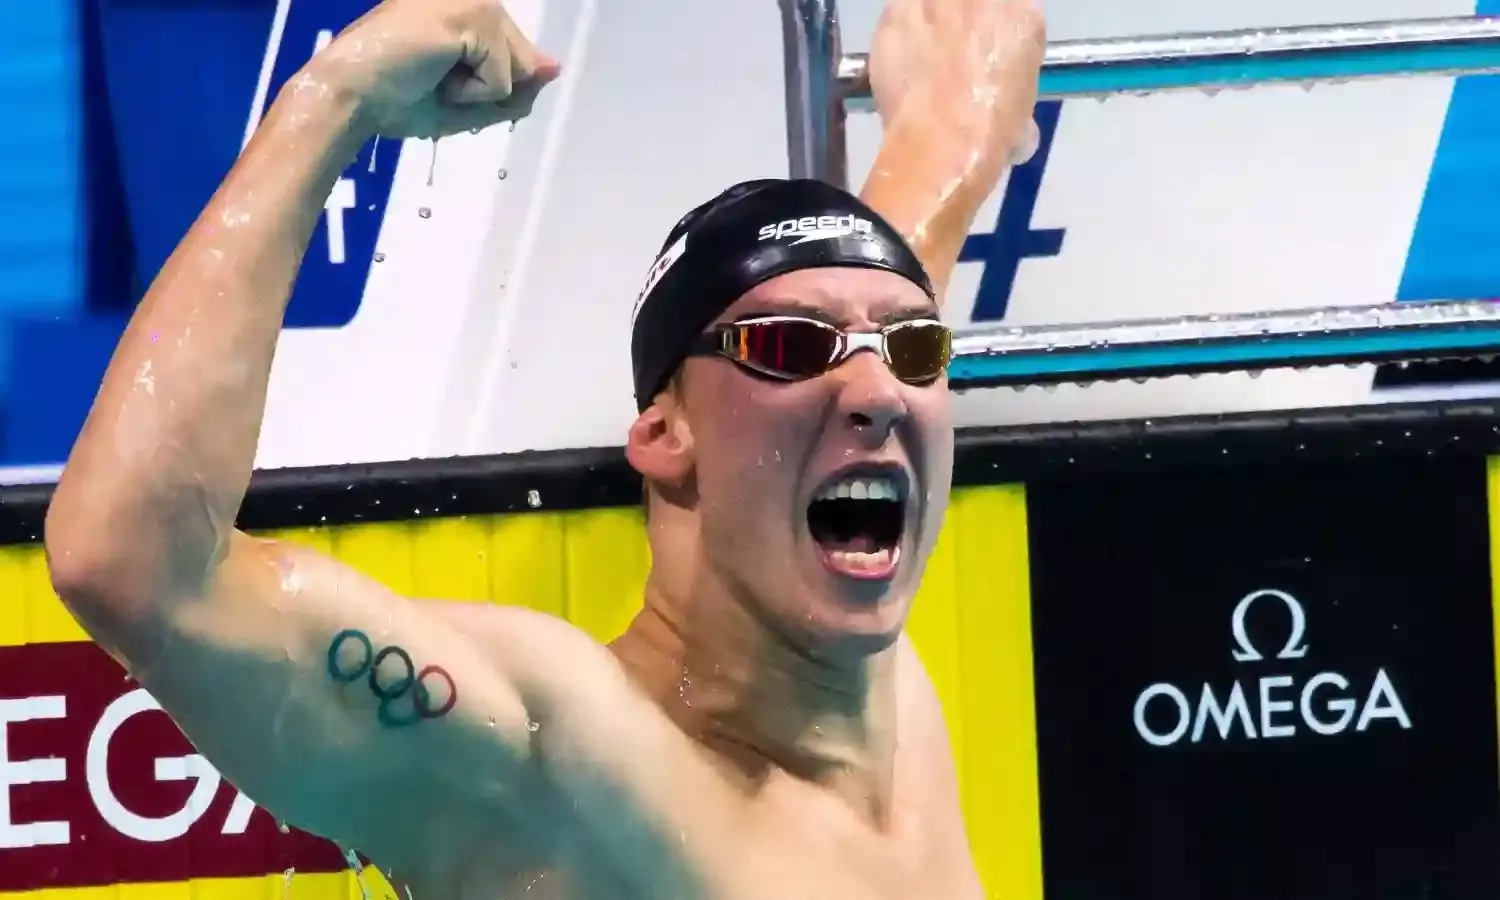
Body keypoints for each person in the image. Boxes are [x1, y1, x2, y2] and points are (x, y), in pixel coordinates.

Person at [43, 0, 1045, 895]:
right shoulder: (556, 766)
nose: (876, 394)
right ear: (664, 437)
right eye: (789, 347)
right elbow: (134, 564)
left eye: (915, 349)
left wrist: (949, 135)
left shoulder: (878, 699)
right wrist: (334, 98)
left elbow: (866, 313)